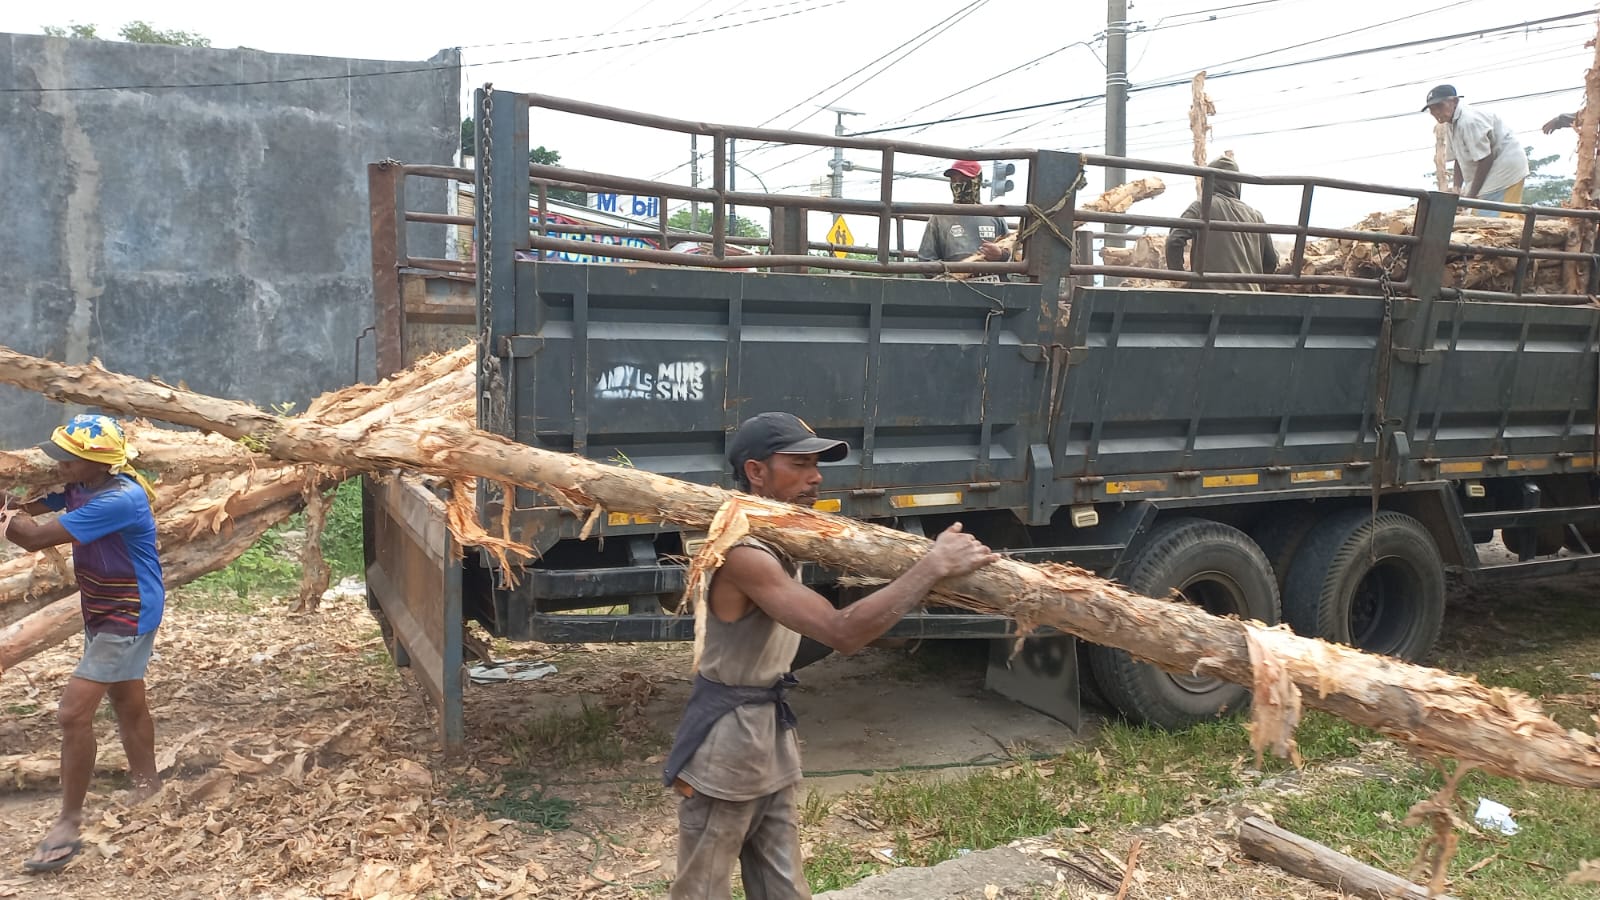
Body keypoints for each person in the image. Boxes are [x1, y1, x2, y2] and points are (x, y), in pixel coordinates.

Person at [662, 412, 999, 899]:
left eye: (816, 465)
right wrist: (932, 566)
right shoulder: (743, 554)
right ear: (756, 472)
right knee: (702, 890)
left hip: (769, 740)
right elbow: (841, 632)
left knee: (784, 887)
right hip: (727, 748)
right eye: (799, 465)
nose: (816, 477)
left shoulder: (780, 538)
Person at [2, 414, 164, 873]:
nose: (59, 465)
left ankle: (68, 822)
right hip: (103, 604)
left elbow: (33, 537)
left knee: (73, 713)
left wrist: (5, 512)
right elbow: (30, 505)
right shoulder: (83, 485)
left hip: (128, 610)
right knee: (127, 699)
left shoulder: (119, 499)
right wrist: (10, 501)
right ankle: (149, 788)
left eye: (68, 459)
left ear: (99, 463)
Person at [1164, 155, 1279, 292]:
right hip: (1251, 297)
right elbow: (1271, 261)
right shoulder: (1256, 216)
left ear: (1207, 182)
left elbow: (1174, 241)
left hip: (1209, 297)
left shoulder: (1202, 207)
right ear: (1238, 184)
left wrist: (1180, 279)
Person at [1423, 84, 1529, 216]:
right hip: (1489, 172)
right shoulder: (1450, 124)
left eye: (1439, 106)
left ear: (1454, 101)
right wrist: (1456, 188)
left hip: (1504, 170)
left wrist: (1471, 197)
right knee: (1479, 214)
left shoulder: (1469, 121)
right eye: (1432, 109)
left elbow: (1485, 159)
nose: (1436, 112)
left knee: (1493, 219)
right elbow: (1459, 159)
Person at [917, 159, 1011, 268]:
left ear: (977, 181)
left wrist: (1001, 255)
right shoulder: (940, 218)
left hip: (992, 277)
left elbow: (1013, 252)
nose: (958, 184)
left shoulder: (995, 216)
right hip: (953, 277)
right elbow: (926, 258)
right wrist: (948, 274)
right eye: (954, 180)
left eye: (964, 179)